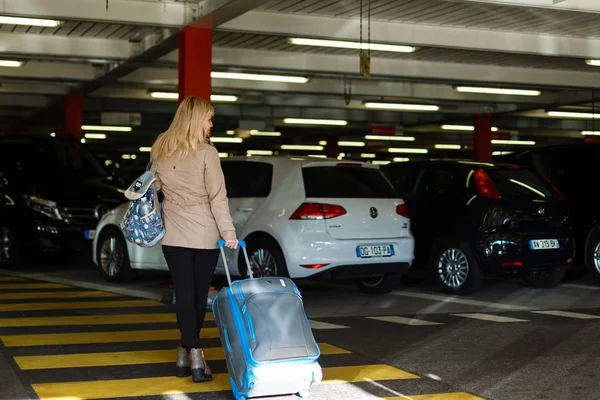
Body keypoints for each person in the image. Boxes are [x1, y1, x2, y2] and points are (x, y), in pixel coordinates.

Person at [149, 96, 238, 383]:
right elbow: (217, 197)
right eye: (208, 118)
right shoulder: (207, 152)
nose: (211, 124)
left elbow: (153, 187)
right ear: (196, 119)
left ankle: (185, 351)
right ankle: (195, 352)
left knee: (185, 294)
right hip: (204, 234)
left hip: (173, 232)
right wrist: (229, 233)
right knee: (198, 297)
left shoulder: (161, 147)